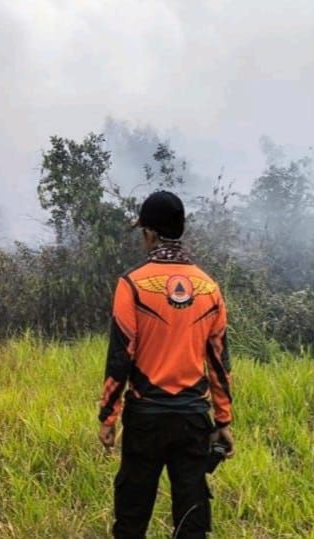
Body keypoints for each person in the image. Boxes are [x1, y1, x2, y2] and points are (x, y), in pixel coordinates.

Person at [98, 191, 234, 539]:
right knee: (191, 517)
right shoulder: (209, 287)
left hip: (145, 419)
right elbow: (219, 363)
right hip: (192, 418)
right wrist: (223, 420)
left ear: (151, 233)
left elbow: (120, 357)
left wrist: (108, 417)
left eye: (143, 231)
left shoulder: (132, 285)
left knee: (132, 516)